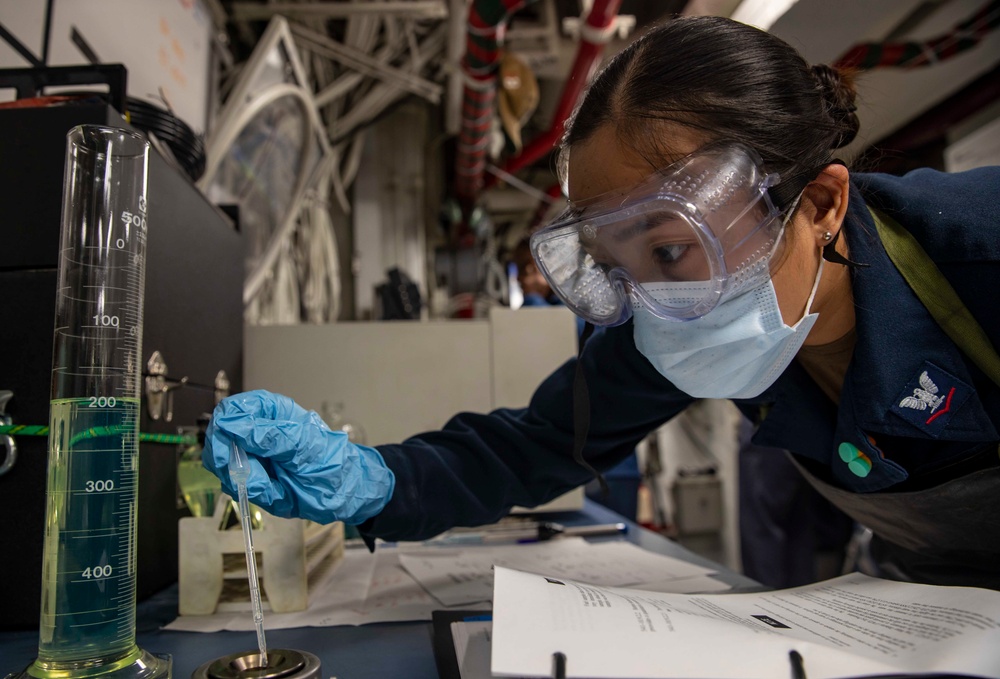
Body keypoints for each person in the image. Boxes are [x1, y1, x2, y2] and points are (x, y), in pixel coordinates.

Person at [204, 16, 1000, 589]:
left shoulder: (981, 253)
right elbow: (534, 446)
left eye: (666, 248)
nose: (652, 301)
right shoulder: (696, 307)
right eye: (613, 264)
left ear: (821, 205)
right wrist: (370, 479)